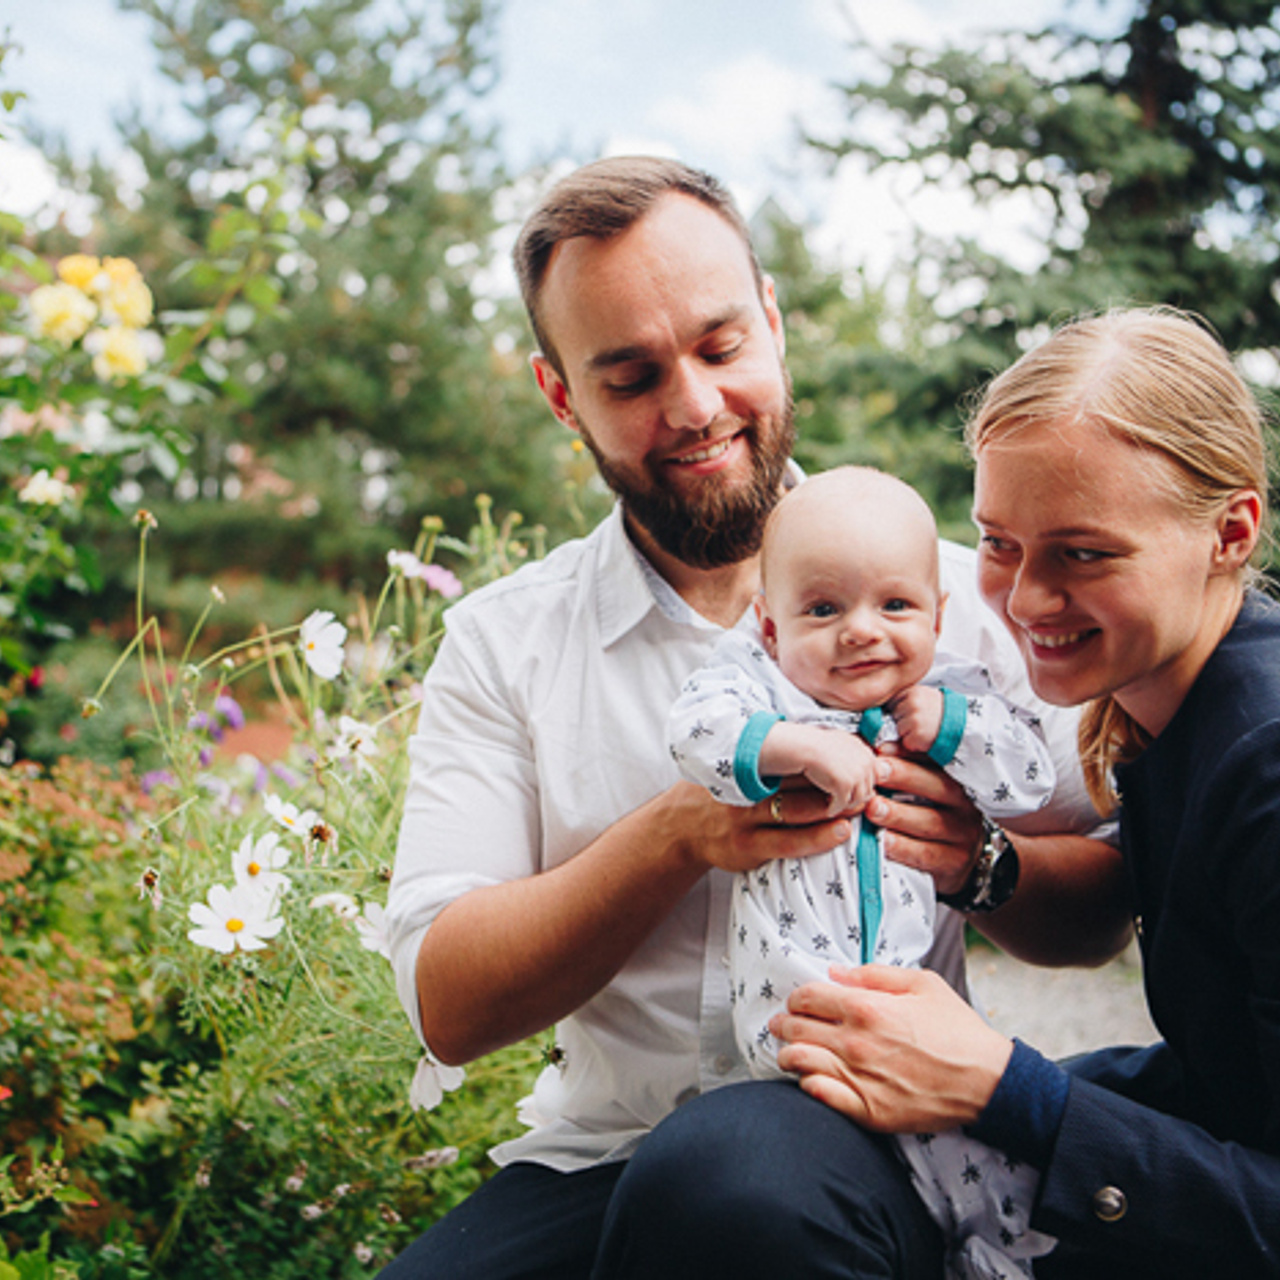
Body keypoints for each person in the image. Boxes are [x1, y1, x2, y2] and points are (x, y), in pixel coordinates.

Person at [382, 156, 1124, 1280]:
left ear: (772, 325)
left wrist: (983, 863)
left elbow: (1103, 905)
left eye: (719, 347)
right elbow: (448, 1002)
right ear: (558, 394)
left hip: (883, 1141)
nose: (691, 405)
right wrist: (676, 833)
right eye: (628, 376)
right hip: (602, 1154)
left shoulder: (962, 608)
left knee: (736, 1186)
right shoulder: (505, 641)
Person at [762, 307, 1280, 1278]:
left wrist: (1007, 1088)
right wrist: (974, 861)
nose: (1027, 597)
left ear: (1228, 530)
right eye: (999, 543)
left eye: (1082, 552)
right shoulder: (1166, 712)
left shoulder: (1263, 759)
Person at [669, 465, 1057, 1278]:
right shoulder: (759, 689)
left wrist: (952, 727)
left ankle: (995, 1256)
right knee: (800, 1176)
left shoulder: (952, 690)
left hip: (914, 1023)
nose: (861, 631)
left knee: (988, 1171)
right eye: (822, 609)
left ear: (937, 616)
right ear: (769, 627)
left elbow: (1030, 777)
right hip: (797, 1023)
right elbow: (696, 733)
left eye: (895, 605)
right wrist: (794, 746)